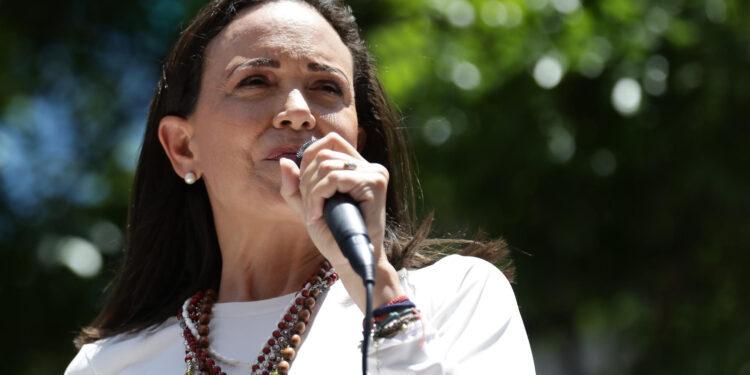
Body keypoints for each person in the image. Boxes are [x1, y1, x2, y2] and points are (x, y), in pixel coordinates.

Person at [65, 0, 535, 373]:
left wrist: (381, 294)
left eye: (327, 87)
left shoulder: (457, 298)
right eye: (254, 81)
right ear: (184, 148)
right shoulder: (107, 366)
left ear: (357, 144)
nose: (297, 111)